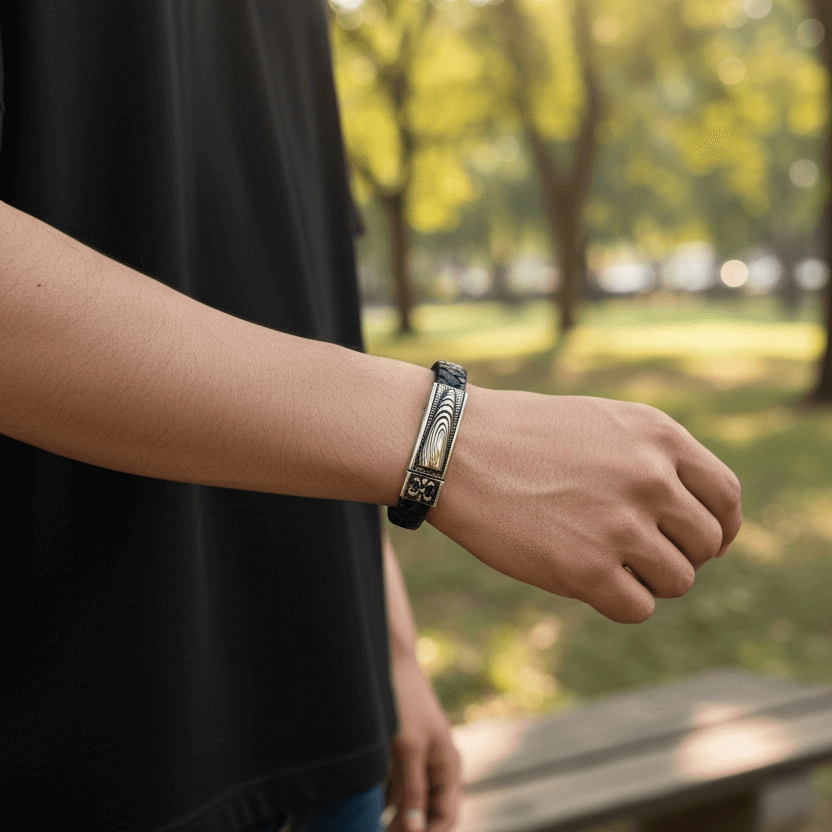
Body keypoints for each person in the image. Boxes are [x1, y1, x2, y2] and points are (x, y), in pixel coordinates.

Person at [0, 2, 743, 831]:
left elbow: (297, 289)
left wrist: (388, 652)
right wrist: (447, 440)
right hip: (77, 750)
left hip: (336, 734)